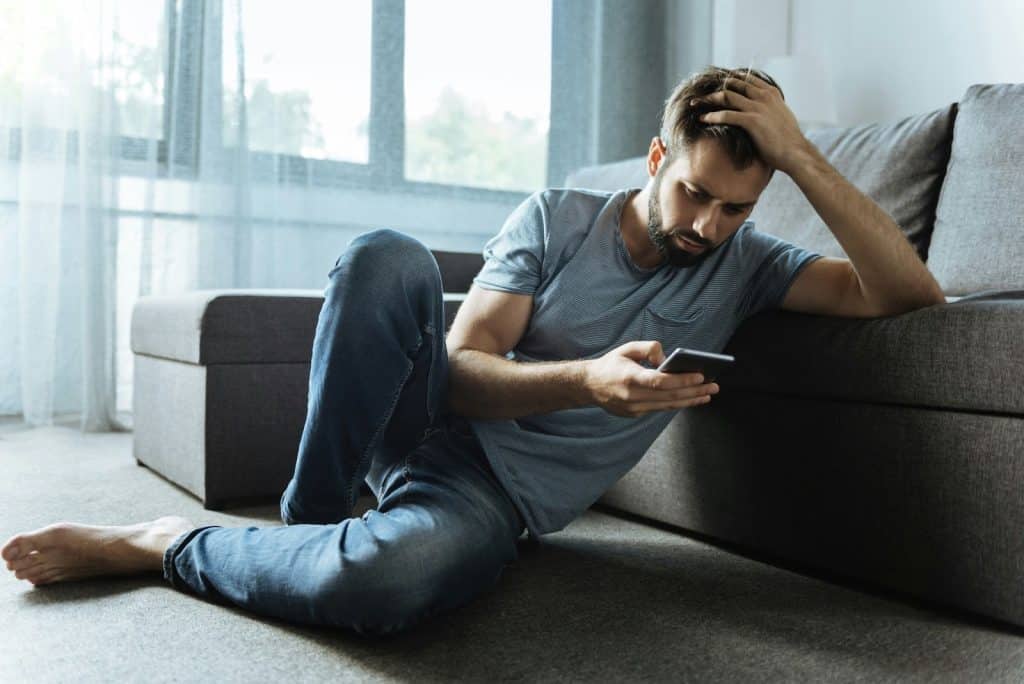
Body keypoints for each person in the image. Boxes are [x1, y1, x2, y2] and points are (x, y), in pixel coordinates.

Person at [1, 67, 945, 636]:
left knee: (382, 585)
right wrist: (586, 381)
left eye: (735, 206)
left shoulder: (751, 266)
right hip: (420, 419)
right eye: (695, 192)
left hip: (490, 495)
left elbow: (910, 295)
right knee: (385, 257)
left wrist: (802, 155)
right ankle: (310, 515)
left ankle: (163, 543)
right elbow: (457, 372)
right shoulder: (558, 218)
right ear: (658, 160)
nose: (708, 224)